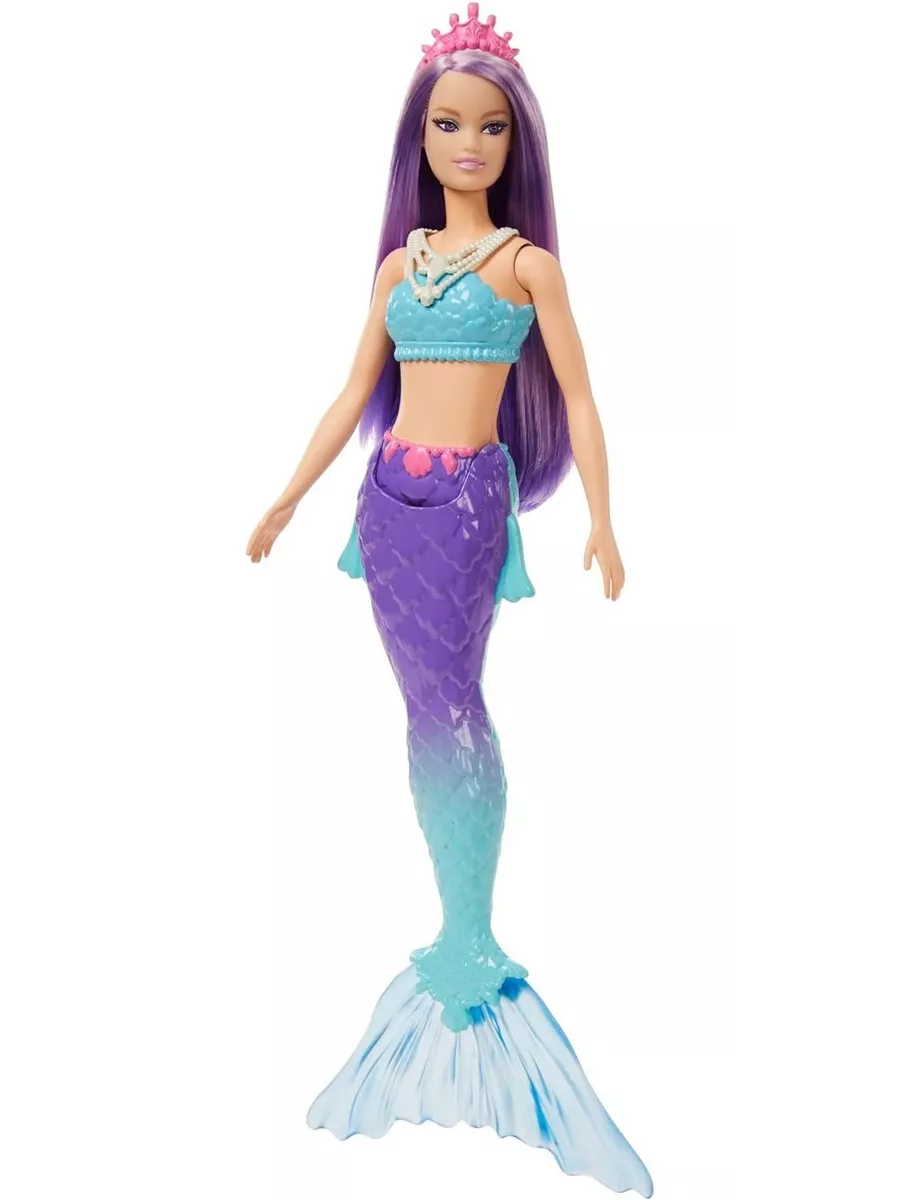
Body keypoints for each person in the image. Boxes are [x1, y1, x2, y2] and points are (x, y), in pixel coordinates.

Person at [246, 6, 652, 1194]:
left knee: (453, 704)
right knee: (424, 706)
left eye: (488, 128)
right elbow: (351, 393)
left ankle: (469, 933)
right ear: (418, 140)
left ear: (514, 143)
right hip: (389, 500)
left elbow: (581, 399)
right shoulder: (400, 267)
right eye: (446, 126)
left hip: (471, 503)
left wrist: (603, 519)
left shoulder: (527, 267)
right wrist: (286, 498)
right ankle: (456, 921)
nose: (467, 144)